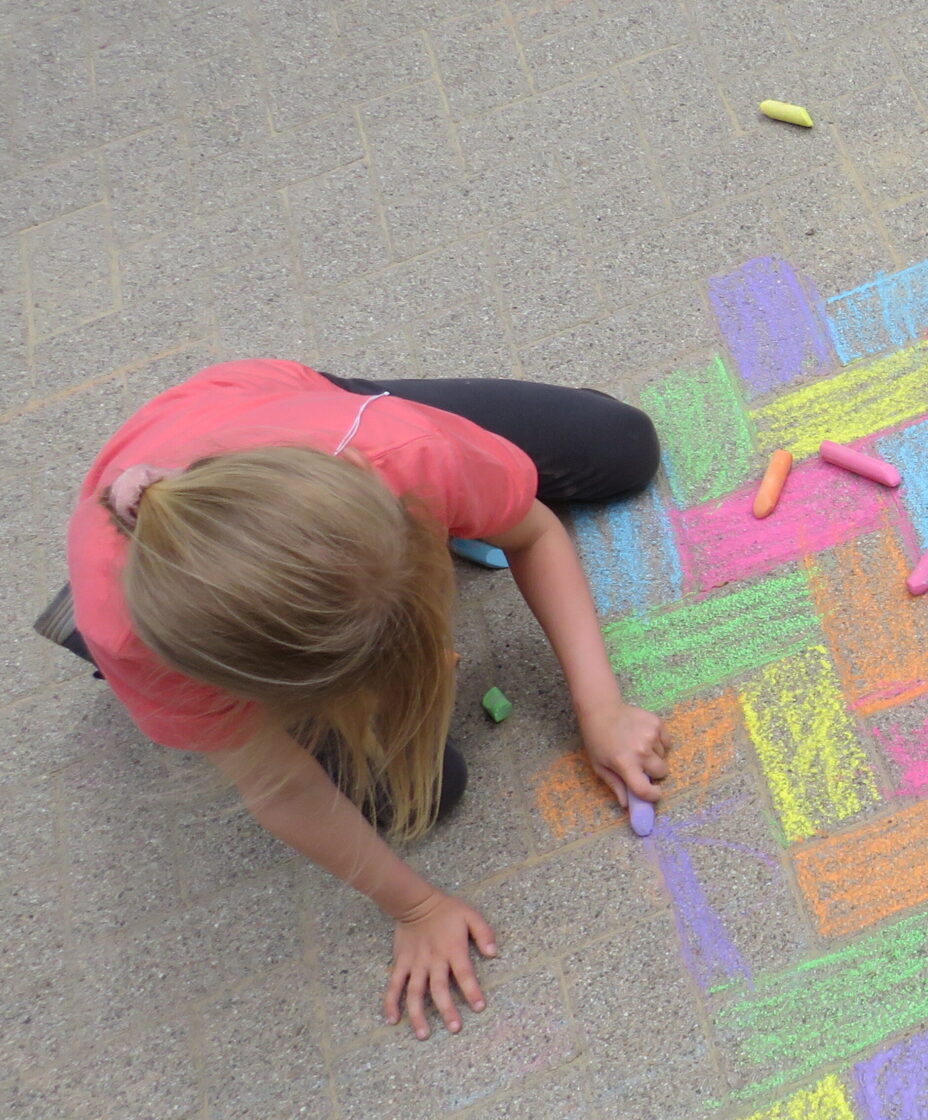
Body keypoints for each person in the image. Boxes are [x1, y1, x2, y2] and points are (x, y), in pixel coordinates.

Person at [41, 359, 674, 1042]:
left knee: (625, 447)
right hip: (155, 583)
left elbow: (534, 531)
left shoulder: (404, 451)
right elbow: (279, 785)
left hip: (280, 411)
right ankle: (97, 615)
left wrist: (600, 706)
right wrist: (416, 908)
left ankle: (447, 514)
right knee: (425, 789)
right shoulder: (137, 640)